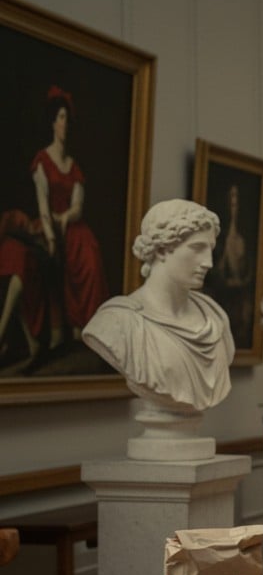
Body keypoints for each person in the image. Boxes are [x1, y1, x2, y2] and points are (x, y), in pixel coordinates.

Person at [82, 199, 234, 413]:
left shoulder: (215, 318)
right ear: (162, 249)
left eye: (210, 249)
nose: (208, 262)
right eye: (197, 248)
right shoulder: (117, 322)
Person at [1, 86, 107, 364]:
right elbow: (43, 204)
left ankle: (85, 327)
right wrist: (50, 235)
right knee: (42, 259)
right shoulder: (43, 160)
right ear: (52, 122)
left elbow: (78, 207)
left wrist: (65, 218)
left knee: (89, 250)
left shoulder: (73, 165)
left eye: (67, 119)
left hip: (70, 224)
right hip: (48, 225)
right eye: (61, 118)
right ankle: (51, 333)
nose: (65, 124)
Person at [207, 183, 254, 344]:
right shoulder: (218, 240)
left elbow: (246, 274)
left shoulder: (240, 239)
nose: (233, 203)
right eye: (230, 197)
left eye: (235, 198)